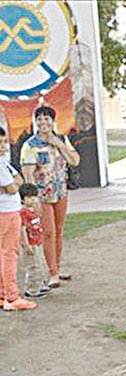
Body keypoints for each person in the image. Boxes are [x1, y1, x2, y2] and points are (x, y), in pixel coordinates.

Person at [20, 105, 80, 288]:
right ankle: (52, 272)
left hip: (60, 191)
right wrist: (32, 199)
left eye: (47, 119)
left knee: (59, 230)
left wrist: (59, 144)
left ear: (53, 121)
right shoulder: (30, 145)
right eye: (39, 119)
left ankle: (57, 267)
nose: (43, 122)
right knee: (48, 232)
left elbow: (75, 161)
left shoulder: (61, 139)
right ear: (35, 122)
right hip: (42, 194)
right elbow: (27, 173)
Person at [0, 127, 37, 311]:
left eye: (3, 142)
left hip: (7, 211)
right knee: (9, 253)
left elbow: (19, 181)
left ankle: (3, 293)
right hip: (6, 212)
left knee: (3, 253)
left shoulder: (4, 162)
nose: (3, 147)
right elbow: (12, 187)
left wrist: (12, 184)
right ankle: (12, 297)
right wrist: (11, 185)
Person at [19, 183, 50, 299]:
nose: (32, 199)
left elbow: (39, 216)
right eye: (29, 197)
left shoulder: (32, 210)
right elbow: (22, 228)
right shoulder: (23, 212)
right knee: (33, 266)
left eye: (34, 197)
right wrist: (26, 244)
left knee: (41, 263)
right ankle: (32, 289)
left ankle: (41, 284)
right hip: (30, 243)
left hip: (37, 241)